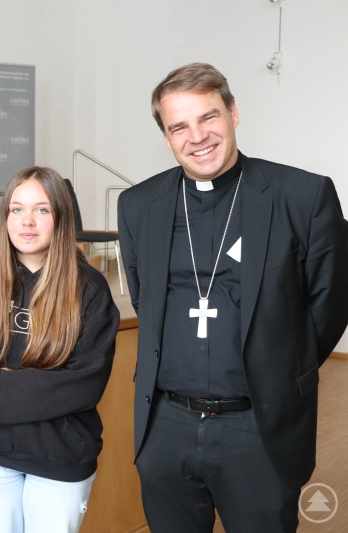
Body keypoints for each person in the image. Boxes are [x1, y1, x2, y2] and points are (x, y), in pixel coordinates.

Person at [117, 62, 348, 532]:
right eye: (179, 126)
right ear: (166, 136)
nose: (197, 136)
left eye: (208, 117)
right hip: (166, 427)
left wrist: (283, 367)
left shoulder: (303, 196)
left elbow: (329, 306)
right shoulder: (139, 205)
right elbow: (146, 301)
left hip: (258, 429)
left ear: (234, 113)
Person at [0, 166, 120, 533]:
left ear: (60, 219)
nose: (27, 221)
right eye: (17, 209)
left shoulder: (89, 288)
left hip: (61, 458)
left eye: (42, 209)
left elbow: (81, 385)